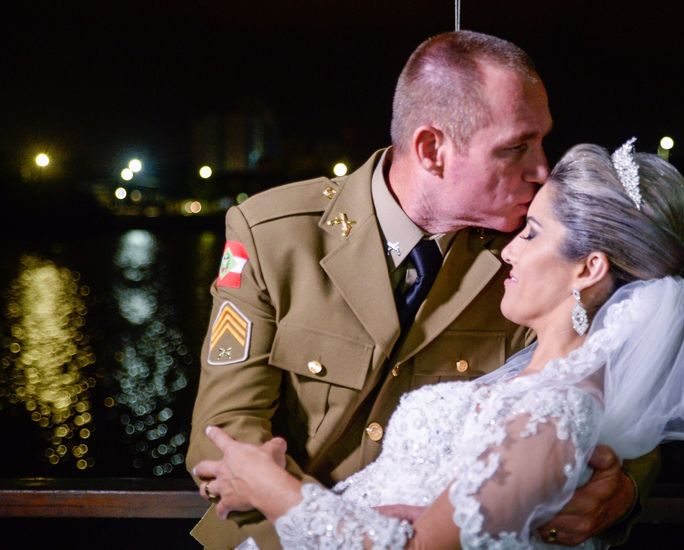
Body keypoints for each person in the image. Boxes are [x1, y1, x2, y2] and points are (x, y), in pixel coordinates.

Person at [186, 31, 659, 549]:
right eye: (516, 147)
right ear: (432, 150)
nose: (542, 170)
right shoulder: (275, 236)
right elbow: (226, 437)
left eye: (542, 140)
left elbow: (614, 388)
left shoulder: (534, 257)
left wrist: (625, 489)